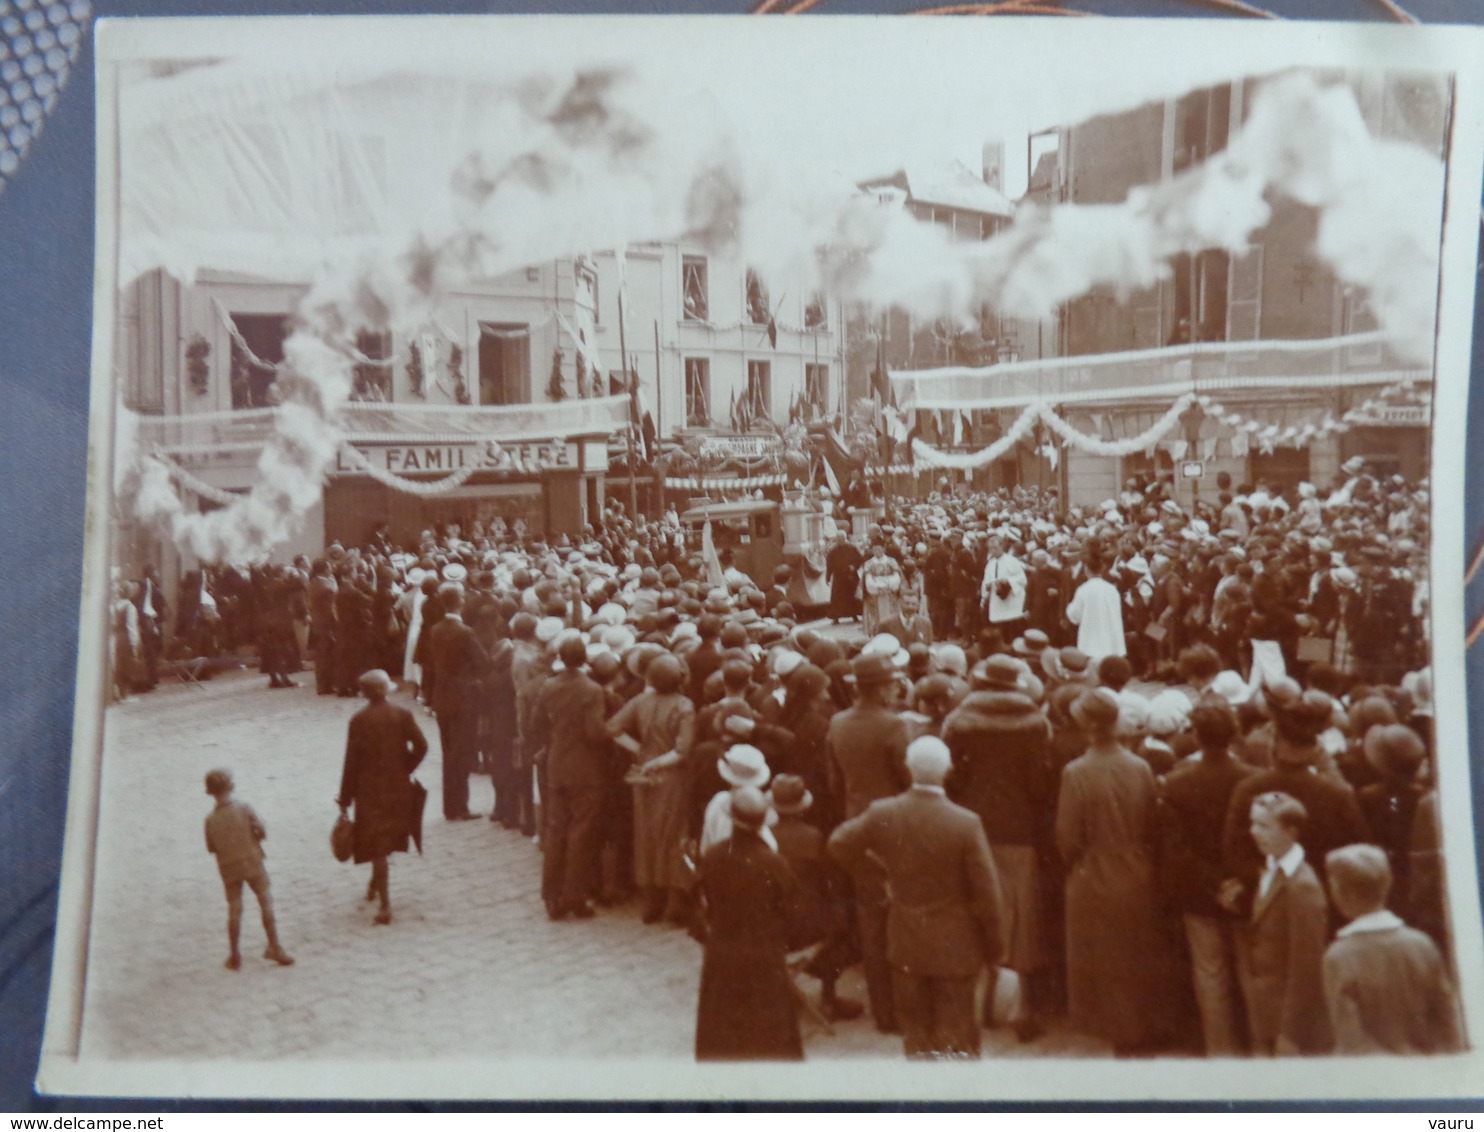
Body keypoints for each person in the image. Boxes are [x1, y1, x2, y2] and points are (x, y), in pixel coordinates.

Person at [828, 736, 1005, 1060]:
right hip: (957, 947)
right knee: (957, 1041)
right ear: (948, 770)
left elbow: (839, 843)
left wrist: (877, 873)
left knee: (917, 1038)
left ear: (908, 769)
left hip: (905, 941)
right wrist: (996, 950)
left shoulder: (885, 811)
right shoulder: (965, 823)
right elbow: (987, 894)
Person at [941, 653, 1053, 1041]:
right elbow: (1039, 786)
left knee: (975, 909)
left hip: (971, 827)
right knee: (1020, 916)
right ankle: (1018, 1008)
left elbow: (949, 777)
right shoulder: (1035, 724)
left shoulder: (959, 722)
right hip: (1019, 831)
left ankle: (977, 1000)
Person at [1055, 688, 1169, 1055]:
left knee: (1105, 963)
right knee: (1136, 958)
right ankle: (1140, 1032)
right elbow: (1154, 823)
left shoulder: (1076, 772)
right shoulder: (1140, 766)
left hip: (1094, 876)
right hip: (1137, 872)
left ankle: (1121, 1036)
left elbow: (1067, 839)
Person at [1157, 702, 1255, 1057]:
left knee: (1211, 974)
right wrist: (1236, 883)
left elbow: (1177, 851)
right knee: (1248, 971)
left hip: (1200, 893)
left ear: (1196, 736)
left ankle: (1221, 1053)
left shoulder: (1178, 783)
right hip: (1245, 890)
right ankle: (1259, 1049)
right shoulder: (1251, 778)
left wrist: (1215, 885)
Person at [826, 652, 912, 1034]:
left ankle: (884, 1011)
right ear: (879, 688)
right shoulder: (893, 725)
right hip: (893, 830)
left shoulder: (838, 723)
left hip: (855, 824)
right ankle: (902, 1007)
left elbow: (833, 780)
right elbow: (907, 780)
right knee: (901, 919)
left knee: (871, 921)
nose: (897, 687)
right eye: (892, 682)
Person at [694, 786, 807, 1062]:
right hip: (763, 953)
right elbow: (794, 914)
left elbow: (699, 904)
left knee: (721, 1028)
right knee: (769, 1030)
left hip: (723, 951)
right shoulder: (774, 863)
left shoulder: (712, 857)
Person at [1322, 844, 1462, 1054]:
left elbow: (1352, 1042)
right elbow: (1449, 1024)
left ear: (1340, 893)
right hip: (1428, 1073)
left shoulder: (1338, 956)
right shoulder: (1422, 945)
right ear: (1387, 884)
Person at [1240, 791, 1333, 1056]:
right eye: (1252, 823)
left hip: (1288, 1024)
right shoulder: (1272, 867)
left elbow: (1306, 966)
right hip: (1267, 1012)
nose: (1254, 832)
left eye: (1264, 826)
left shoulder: (1301, 887)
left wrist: (1291, 1033)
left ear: (1291, 832)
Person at [609, 651, 697, 925]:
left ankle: (651, 903)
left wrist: (641, 753)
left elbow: (612, 728)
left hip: (645, 777)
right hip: (671, 778)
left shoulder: (640, 701)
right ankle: (673, 903)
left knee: (646, 836)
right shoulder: (684, 706)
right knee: (672, 836)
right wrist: (658, 761)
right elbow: (683, 750)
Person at [336, 669, 429, 925]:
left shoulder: (358, 721)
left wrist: (345, 797)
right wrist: (406, 768)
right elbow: (422, 746)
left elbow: (351, 763)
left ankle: (385, 904)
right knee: (386, 840)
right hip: (397, 788)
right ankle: (376, 887)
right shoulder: (402, 715)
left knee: (377, 844)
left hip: (368, 791)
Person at [768, 774, 863, 1022]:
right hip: (805, 928)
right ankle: (829, 998)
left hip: (772, 925)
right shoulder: (812, 837)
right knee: (840, 924)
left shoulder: (764, 836)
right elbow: (829, 882)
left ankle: (784, 991)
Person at [530, 635, 612, 921]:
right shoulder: (592, 690)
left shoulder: (549, 686)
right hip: (586, 769)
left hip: (557, 765)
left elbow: (536, 722)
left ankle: (551, 896)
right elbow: (594, 732)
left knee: (556, 831)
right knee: (581, 834)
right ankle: (574, 896)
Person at [204, 768, 293, 969]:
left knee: (234, 909)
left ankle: (235, 955)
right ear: (231, 787)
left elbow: (211, 848)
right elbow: (261, 832)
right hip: (252, 862)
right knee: (265, 901)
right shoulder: (244, 808)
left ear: (210, 792)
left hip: (229, 869)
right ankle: (274, 946)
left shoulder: (209, 820)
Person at [427, 582, 489, 820]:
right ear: (460, 602)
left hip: (443, 697)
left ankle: (449, 806)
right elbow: (482, 662)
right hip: (463, 699)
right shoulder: (465, 632)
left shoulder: (436, 629)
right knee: (462, 753)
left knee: (448, 752)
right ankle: (460, 806)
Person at [1065, 559, 1127, 663]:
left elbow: (1074, 617)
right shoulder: (1112, 589)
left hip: (1091, 643)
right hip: (1112, 641)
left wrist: (1069, 607)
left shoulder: (1083, 589)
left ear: (1086, 570)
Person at [979, 533, 1028, 642]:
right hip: (996, 601)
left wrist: (1008, 581)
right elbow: (985, 582)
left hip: (1010, 600)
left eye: (995, 547)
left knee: (1011, 630)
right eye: (991, 548)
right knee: (998, 630)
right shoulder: (990, 564)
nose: (993, 550)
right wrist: (988, 586)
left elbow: (1022, 579)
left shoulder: (1012, 561)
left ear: (1002, 546)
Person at [859, 543, 903, 637]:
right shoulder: (869, 563)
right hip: (874, 596)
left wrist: (890, 584)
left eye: (879, 549)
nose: (877, 552)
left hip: (890, 593)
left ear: (883, 549)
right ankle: (877, 634)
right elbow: (867, 579)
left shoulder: (891, 561)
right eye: (875, 550)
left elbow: (897, 576)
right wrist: (875, 587)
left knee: (892, 615)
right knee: (875, 618)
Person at [824, 534, 864, 624]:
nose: (840, 541)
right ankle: (836, 617)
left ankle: (855, 615)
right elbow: (829, 565)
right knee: (837, 598)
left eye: (842, 539)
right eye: (838, 539)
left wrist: (854, 567)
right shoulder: (833, 550)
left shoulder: (852, 548)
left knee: (852, 596)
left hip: (851, 575)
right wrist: (828, 577)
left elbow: (860, 559)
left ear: (845, 538)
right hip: (838, 577)